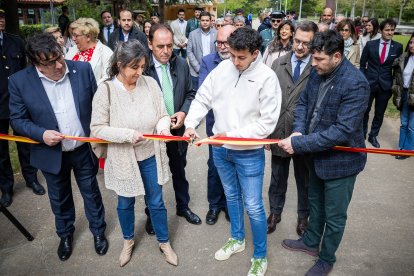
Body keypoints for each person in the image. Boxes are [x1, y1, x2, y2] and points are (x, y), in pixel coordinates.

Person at [184, 27, 281, 276]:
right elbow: (203, 97)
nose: (235, 62)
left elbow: (267, 123)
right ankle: (237, 240)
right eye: (232, 56)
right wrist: (190, 124)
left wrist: (234, 135)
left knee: (254, 205)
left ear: (255, 53)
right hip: (220, 150)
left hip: (249, 152)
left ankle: (260, 255)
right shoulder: (223, 68)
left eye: (241, 58)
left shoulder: (267, 78)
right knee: (232, 198)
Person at [9, 32, 108, 261]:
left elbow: (98, 106)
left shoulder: (81, 71)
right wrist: (41, 134)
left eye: (59, 57)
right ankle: (65, 235)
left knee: (91, 192)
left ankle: (98, 232)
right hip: (50, 153)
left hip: (83, 149)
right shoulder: (19, 82)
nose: (58, 64)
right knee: (59, 197)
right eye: (50, 62)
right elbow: (18, 119)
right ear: (36, 64)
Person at [279, 30, 370, 276]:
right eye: (312, 58)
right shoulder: (318, 73)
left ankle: (327, 257)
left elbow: (342, 131)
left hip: (342, 162)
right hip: (316, 157)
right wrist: (298, 132)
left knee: (335, 215)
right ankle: (310, 242)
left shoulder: (357, 83)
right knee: (315, 204)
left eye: (319, 59)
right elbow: (304, 104)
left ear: (337, 56)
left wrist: (299, 144)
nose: (313, 63)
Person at [90, 40, 178, 267]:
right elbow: (97, 128)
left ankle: (164, 241)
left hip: (150, 154)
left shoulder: (150, 84)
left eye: (142, 67)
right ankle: (128, 241)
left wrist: (163, 126)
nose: (139, 73)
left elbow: (163, 113)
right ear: (120, 64)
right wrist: (127, 134)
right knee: (125, 202)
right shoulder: (106, 90)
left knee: (156, 201)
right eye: (134, 68)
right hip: (123, 158)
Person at [144, 24, 200, 233]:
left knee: (179, 170)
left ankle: (183, 207)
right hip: (153, 134)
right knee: (152, 176)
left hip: (177, 132)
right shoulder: (142, 69)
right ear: (150, 45)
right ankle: (152, 213)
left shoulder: (181, 64)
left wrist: (183, 113)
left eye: (169, 45)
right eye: (160, 46)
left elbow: (190, 94)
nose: (166, 51)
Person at [266, 21, 318, 236]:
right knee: (277, 177)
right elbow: (267, 99)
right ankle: (275, 212)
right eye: (297, 41)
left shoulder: (317, 67)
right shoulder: (278, 63)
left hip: (305, 135)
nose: (299, 47)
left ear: (314, 43)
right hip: (279, 130)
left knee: (304, 179)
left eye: (306, 43)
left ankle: (303, 217)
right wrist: (268, 130)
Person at [0, 9, 45, 207]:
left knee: (25, 143)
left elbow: (26, 73)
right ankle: (6, 187)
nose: (1, 21)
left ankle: (31, 178)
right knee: (1, 151)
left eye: (2, 17)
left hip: (17, 102)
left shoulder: (15, 41)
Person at [197, 25, 236, 225]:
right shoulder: (207, 61)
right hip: (215, 126)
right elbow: (204, 92)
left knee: (233, 167)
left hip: (238, 127)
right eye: (218, 42)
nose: (222, 46)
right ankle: (214, 205)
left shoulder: (242, 61)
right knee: (214, 166)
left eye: (226, 42)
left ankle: (230, 205)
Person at [360, 18, 403, 148]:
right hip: (369, 83)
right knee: (364, 111)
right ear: (381, 30)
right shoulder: (370, 45)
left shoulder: (398, 47)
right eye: (387, 30)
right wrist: (364, 80)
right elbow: (362, 65)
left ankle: (373, 135)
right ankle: (362, 134)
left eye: (392, 30)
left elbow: (397, 69)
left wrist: (393, 85)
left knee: (379, 113)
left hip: (385, 86)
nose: (390, 32)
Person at [65, 17, 113, 84]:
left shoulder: (106, 52)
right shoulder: (72, 50)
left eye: (76, 35)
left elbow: (107, 77)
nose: (73, 39)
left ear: (88, 37)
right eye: (72, 35)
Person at [392, 33, 414, 159]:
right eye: (411, 43)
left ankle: (408, 150)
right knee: (404, 123)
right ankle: (401, 147)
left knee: (412, 126)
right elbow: (397, 75)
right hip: (404, 94)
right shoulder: (404, 58)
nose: (412, 45)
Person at [187, 11, 217, 90]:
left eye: (207, 20)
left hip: (213, 70)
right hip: (196, 71)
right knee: (196, 95)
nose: (205, 22)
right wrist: (198, 68)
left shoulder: (216, 33)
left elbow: (218, 51)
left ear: (210, 21)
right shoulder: (192, 34)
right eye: (203, 20)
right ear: (199, 21)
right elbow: (189, 52)